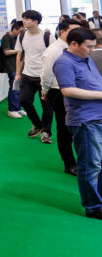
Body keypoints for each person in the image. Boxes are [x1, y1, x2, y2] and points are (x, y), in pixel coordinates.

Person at [53, 27, 102, 219]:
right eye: (88, 46)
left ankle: (98, 200)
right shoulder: (63, 62)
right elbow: (68, 90)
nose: (92, 50)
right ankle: (93, 207)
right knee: (90, 165)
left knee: (98, 164)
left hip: (97, 118)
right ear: (74, 44)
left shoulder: (86, 58)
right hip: (85, 121)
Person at [42, 20, 79, 168]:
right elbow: (46, 74)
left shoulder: (72, 47)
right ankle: (69, 164)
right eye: (73, 30)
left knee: (75, 127)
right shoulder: (54, 50)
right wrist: (45, 90)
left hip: (73, 92)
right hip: (58, 92)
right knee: (64, 129)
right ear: (62, 32)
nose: (77, 34)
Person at [16, 9, 54, 140]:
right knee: (24, 101)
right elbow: (19, 55)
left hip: (44, 76)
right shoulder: (22, 36)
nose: (24, 21)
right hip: (27, 75)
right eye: (24, 18)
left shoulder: (47, 36)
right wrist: (18, 73)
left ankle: (46, 132)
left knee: (46, 106)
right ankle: (38, 125)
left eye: (27, 19)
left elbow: (54, 56)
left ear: (36, 22)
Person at [0, 20, 23, 118]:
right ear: (14, 29)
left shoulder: (17, 37)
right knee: (14, 89)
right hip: (11, 66)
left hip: (18, 66)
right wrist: (19, 50)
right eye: (20, 31)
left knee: (18, 88)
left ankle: (17, 108)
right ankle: (12, 109)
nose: (21, 33)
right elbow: (6, 52)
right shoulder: (6, 37)